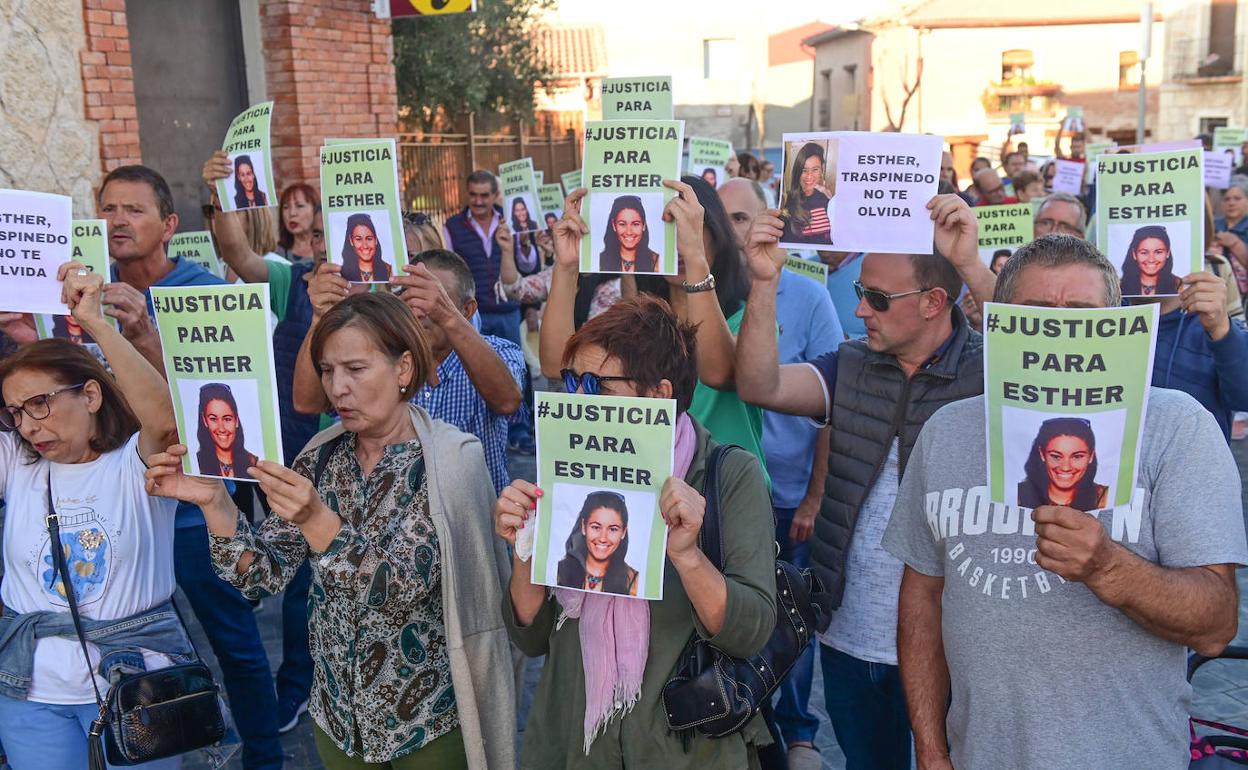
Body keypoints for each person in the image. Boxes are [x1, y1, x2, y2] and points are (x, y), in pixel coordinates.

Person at [884, 234, 1246, 770]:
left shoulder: (1176, 426)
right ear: (998, 323)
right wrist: (932, 749)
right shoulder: (948, 431)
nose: (1062, 333)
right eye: (1036, 315)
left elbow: (1216, 625)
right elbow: (922, 600)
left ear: (1117, 324)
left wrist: (1108, 568)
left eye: (1082, 314)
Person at [145, 291, 516, 769]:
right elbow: (264, 576)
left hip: (427, 724)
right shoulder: (321, 456)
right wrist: (214, 503)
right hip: (338, 723)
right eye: (327, 370)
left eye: (356, 369)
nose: (338, 388)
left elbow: (400, 589)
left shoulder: (450, 461)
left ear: (403, 369)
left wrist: (316, 519)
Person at [734, 193, 991, 770]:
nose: (860, 312)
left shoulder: (990, 370)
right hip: (848, 634)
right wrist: (765, 283)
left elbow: (1044, 353)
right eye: (860, 294)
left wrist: (972, 267)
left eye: (876, 299)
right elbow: (759, 385)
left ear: (933, 302)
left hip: (955, 641)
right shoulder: (850, 363)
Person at [496, 295, 776, 767]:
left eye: (595, 384)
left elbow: (749, 632)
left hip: (683, 749)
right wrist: (525, 547)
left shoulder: (728, 473)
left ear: (657, 394)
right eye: (570, 381)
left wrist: (688, 557)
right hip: (573, 743)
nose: (576, 399)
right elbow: (531, 637)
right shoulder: (565, 465)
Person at [96, 164, 284, 768]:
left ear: (169, 224)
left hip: (193, 506)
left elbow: (229, 406)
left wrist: (145, 334)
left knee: (233, 639)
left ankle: (264, 754)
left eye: (133, 209)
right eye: (107, 209)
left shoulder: (206, 291)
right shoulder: (81, 294)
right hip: (118, 503)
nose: (117, 220)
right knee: (135, 646)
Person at [0, 266, 189, 770]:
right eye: (16, 412)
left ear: (89, 394)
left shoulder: (133, 463)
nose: (29, 424)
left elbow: (165, 420)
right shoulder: (17, 463)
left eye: (40, 403)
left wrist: (96, 322)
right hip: (32, 694)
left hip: (137, 688)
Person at [720, 179, 841, 770]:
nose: (734, 231)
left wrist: (815, 498)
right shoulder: (701, 296)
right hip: (723, 495)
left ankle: (798, 733)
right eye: (723, 220)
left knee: (789, 618)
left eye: (743, 217)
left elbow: (829, 412)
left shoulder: (809, 297)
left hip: (791, 492)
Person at [293, 249, 524, 495]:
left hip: (468, 514)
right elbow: (307, 403)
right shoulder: (385, 358)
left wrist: (447, 316)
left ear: (467, 309)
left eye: (434, 299)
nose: (420, 310)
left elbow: (507, 401)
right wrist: (320, 316)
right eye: (410, 296)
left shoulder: (499, 350)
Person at [555, 490, 639, 596]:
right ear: (583, 527)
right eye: (595, 527)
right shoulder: (558, 572)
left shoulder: (634, 580)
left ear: (623, 532)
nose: (603, 538)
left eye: (612, 529)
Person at [1016, 417, 1108, 510]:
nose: (1065, 467)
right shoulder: (1017, 494)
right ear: (1042, 454)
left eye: (1077, 456)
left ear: (1091, 456)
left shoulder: (1105, 497)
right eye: (1056, 456)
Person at [195, 382, 259, 479]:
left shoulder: (253, 461)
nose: (221, 428)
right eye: (213, 419)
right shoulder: (195, 462)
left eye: (227, 419)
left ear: (236, 420)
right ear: (205, 421)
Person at [781, 142, 833, 245]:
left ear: (821, 170)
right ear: (798, 172)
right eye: (804, 170)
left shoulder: (827, 198)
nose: (809, 176)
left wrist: (833, 205)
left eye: (815, 169)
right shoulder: (788, 200)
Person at [598, 195, 660, 272]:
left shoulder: (657, 262)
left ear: (643, 225)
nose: (629, 232)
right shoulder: (598, 261)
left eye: (635, 224)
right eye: (622, 224)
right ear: (614, 226)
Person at [1120, 224, 1181, 297]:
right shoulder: (1118, 287)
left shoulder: (1180, 286)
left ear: (1167, 253)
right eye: (1144, 253)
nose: (1151, 259)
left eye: (1158, 252)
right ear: (1134, 254)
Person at [339, 212, 391, 283]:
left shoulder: (389, 271)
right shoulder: (340, 273)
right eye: (358, 239)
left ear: (376, 240)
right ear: (351, 241)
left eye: (369, 239)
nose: (365, 246)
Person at [277, 182, 319, 263]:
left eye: (299, 206)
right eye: (286, 207)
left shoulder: (329, 250)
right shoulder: (276, 255)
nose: (292, 213)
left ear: (316, 210)